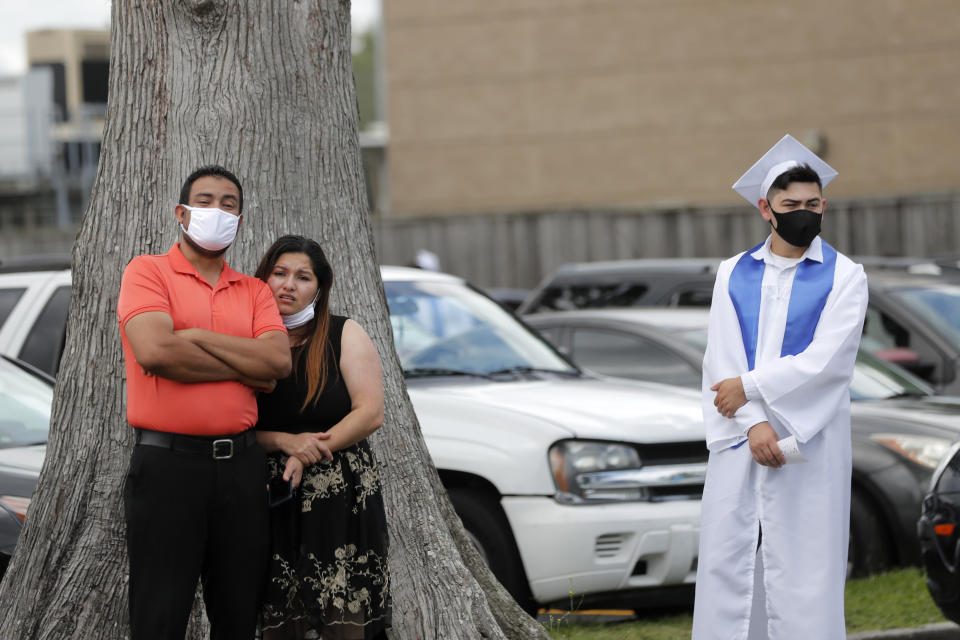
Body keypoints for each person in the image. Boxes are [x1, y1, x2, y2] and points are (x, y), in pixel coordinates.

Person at [692, 135, 868, 639]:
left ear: (824, 205)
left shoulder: (845, 277)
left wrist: (749, 388)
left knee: (806, 561)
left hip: (810, 440)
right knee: (732, 558)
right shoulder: (733, 273)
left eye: (813, 204)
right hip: (742, 439)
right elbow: (719, 361)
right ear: (766, 208)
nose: (804, 214)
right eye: (792, 205)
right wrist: (754, 424)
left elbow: (828, 363)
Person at [117, 165, 292, 639]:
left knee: (238, 614)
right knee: (160, 615)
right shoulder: (147, 271)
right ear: (182, 212)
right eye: (207, 200)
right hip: (167, 467)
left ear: (240, 218)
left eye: (229, 204)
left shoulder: (254, 290)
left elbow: (277, 362)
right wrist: (243, 366)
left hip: (241, 469)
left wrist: (193, 337)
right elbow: (155, 351)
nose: (218, 211)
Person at [250, 234, 391, 640]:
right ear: (263, 278)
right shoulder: (247, 342)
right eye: (279, 273)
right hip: (268, 495)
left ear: (320, 287)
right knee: (278, 615)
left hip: (338, 494)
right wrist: (284, 443)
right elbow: (231, 423)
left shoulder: (344, 334)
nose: (289, 284)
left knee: (341, 614)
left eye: (303, 277)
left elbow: (370, 412)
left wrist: (309, 452)